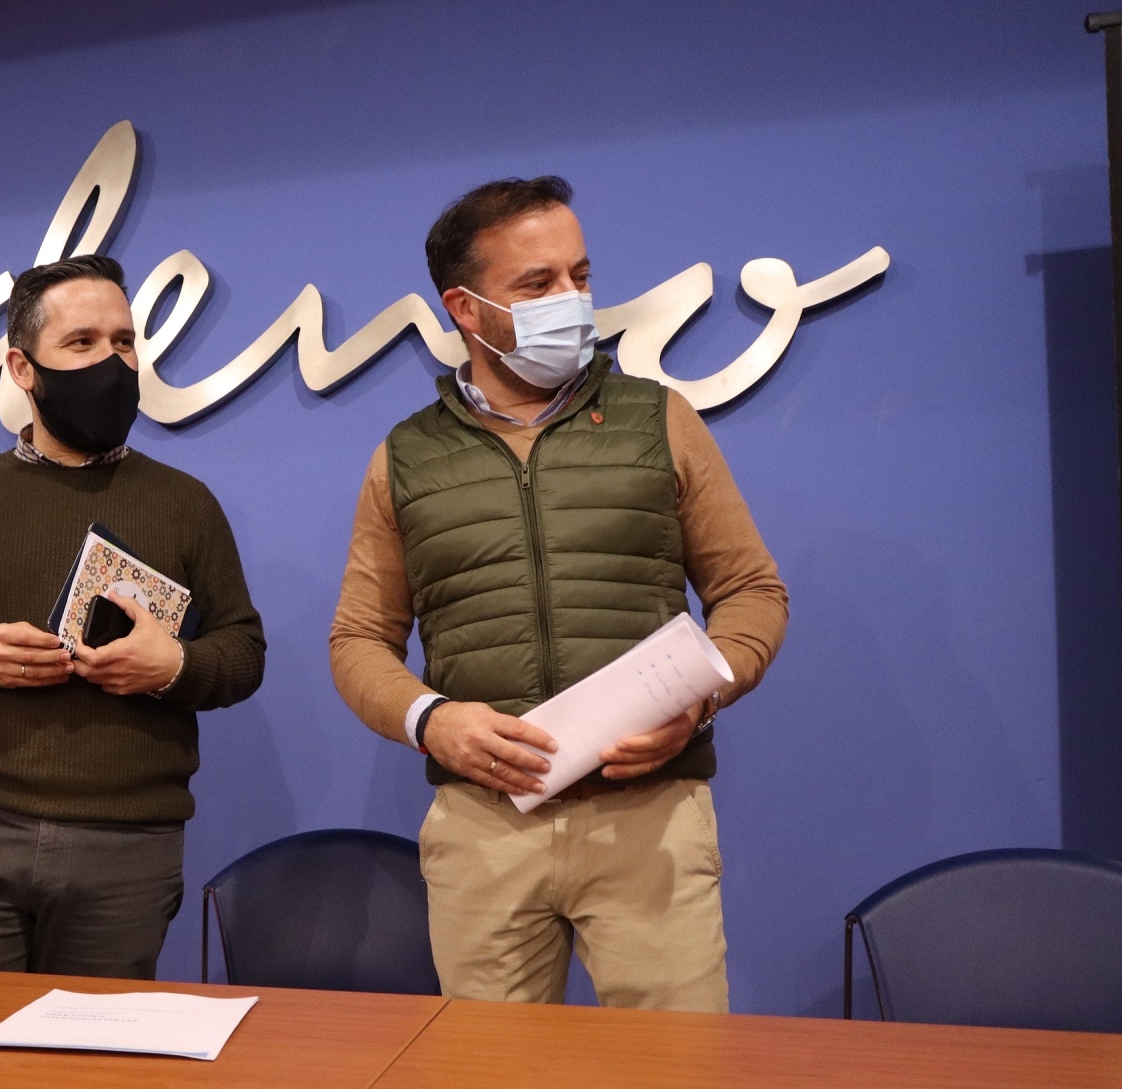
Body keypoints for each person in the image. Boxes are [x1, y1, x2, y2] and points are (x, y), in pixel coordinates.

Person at [329, 177, 788, 1011]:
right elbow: (358, 641)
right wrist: (434, 721)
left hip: (650, 820)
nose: (572, 301)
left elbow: (752, 592)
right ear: (465, 310)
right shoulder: (405, 458)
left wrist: (703, 698)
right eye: (537, 285)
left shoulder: (662, 420)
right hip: (484, 829)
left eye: (580, 276)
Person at [0, 253, 265, 979]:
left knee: (96, 1072)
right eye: (81, 343)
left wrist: (174, 666)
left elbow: (243, 652)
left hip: (128, 846)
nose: (111, 361)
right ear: (23, 368)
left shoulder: (187, 503)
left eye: (123, 341)